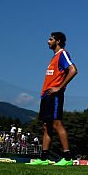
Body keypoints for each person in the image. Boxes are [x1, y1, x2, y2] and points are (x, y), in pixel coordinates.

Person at [30, 31, 78, 166]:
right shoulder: (53, 58)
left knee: (57, 124)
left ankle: (68, 158)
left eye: (50, 39)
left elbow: (73, 70)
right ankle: (44, 158)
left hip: (55, 95)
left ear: (57, 41)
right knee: (46, 126)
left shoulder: (63, 54)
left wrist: (60, 87)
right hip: (46, 95)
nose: (48, 41)